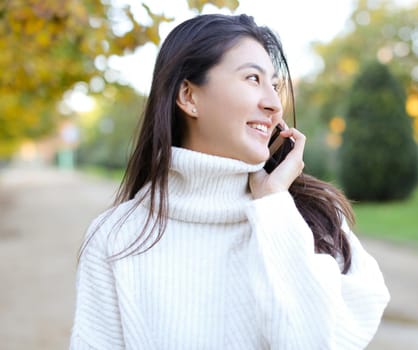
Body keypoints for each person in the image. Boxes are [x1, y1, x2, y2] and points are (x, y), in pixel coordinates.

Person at [70, 13, 390, 350]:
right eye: (253, 78)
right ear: (189, 97)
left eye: (275, 86)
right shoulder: (116, 237)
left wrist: (273, 208)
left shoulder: (312, 218)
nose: (273, 104)